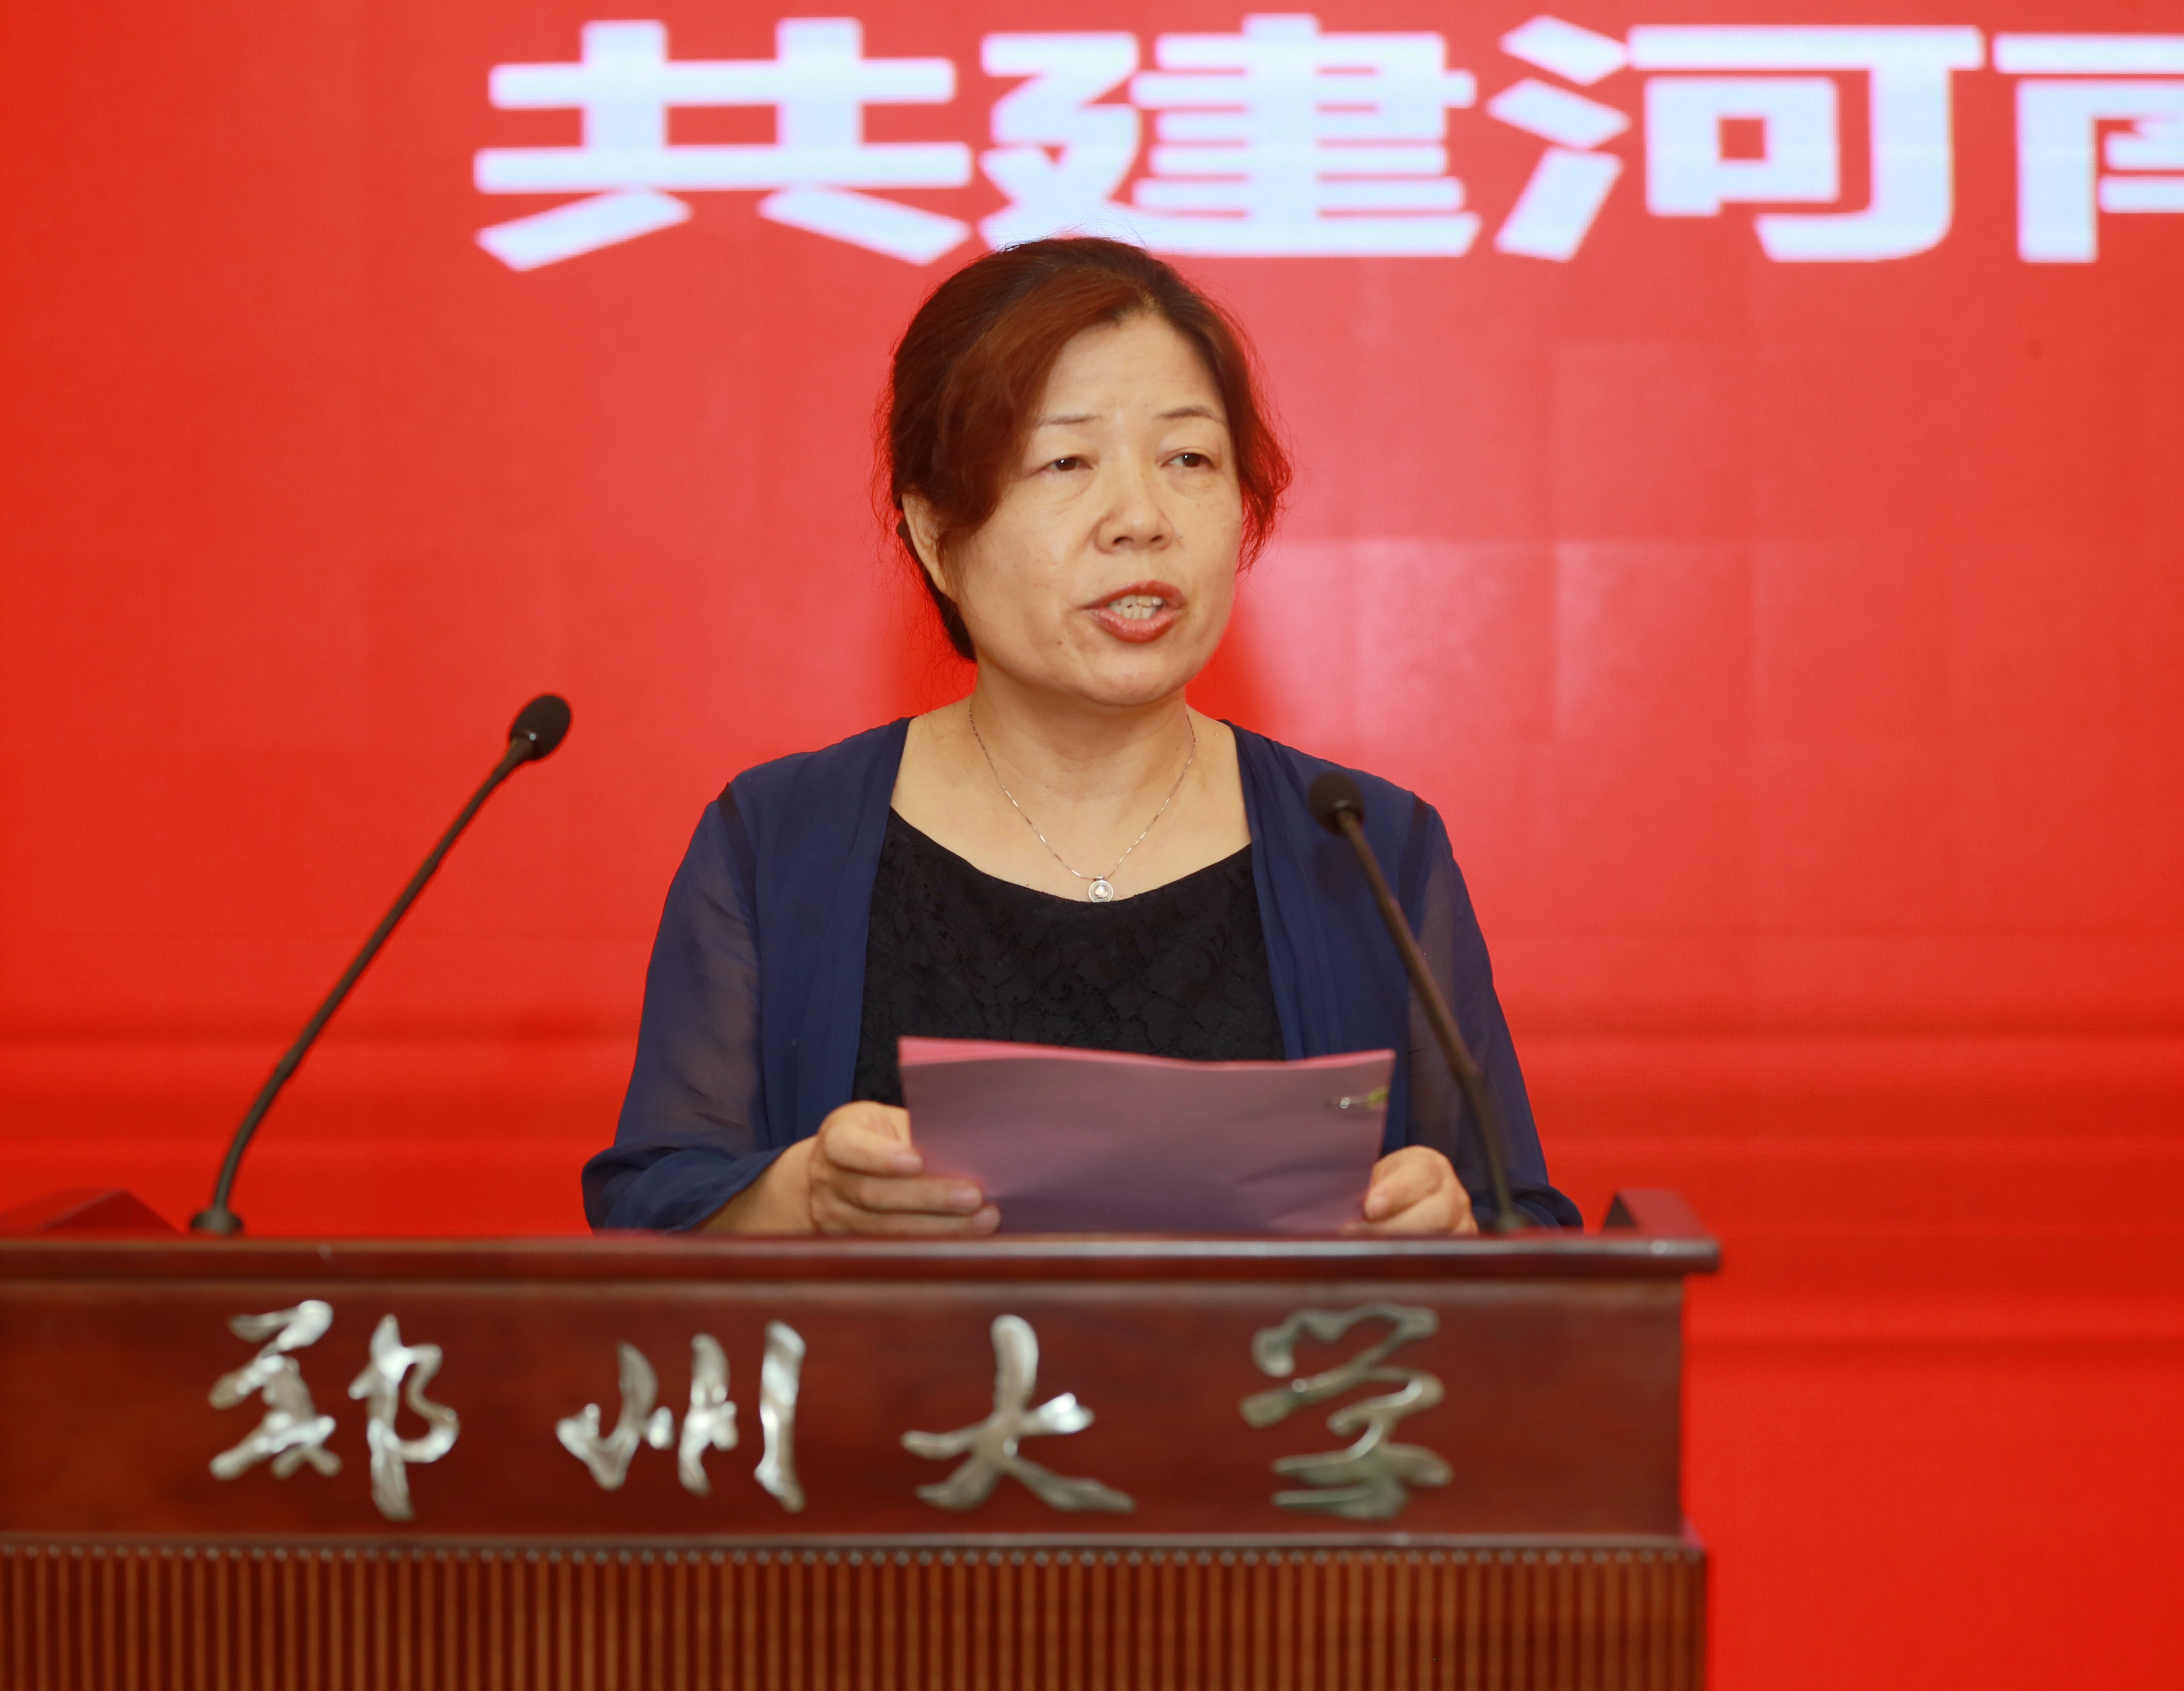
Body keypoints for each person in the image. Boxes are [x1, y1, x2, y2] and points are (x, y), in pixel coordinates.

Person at [584, 238, 1579, 1238]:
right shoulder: (779, 840)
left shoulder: (1366, 849)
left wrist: (1451, 1230)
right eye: (1065, 462)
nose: (1140, 519)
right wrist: (801, 1197)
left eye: (1188, 459)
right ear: (935, 534)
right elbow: (648, 1212)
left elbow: (1526, 1226)